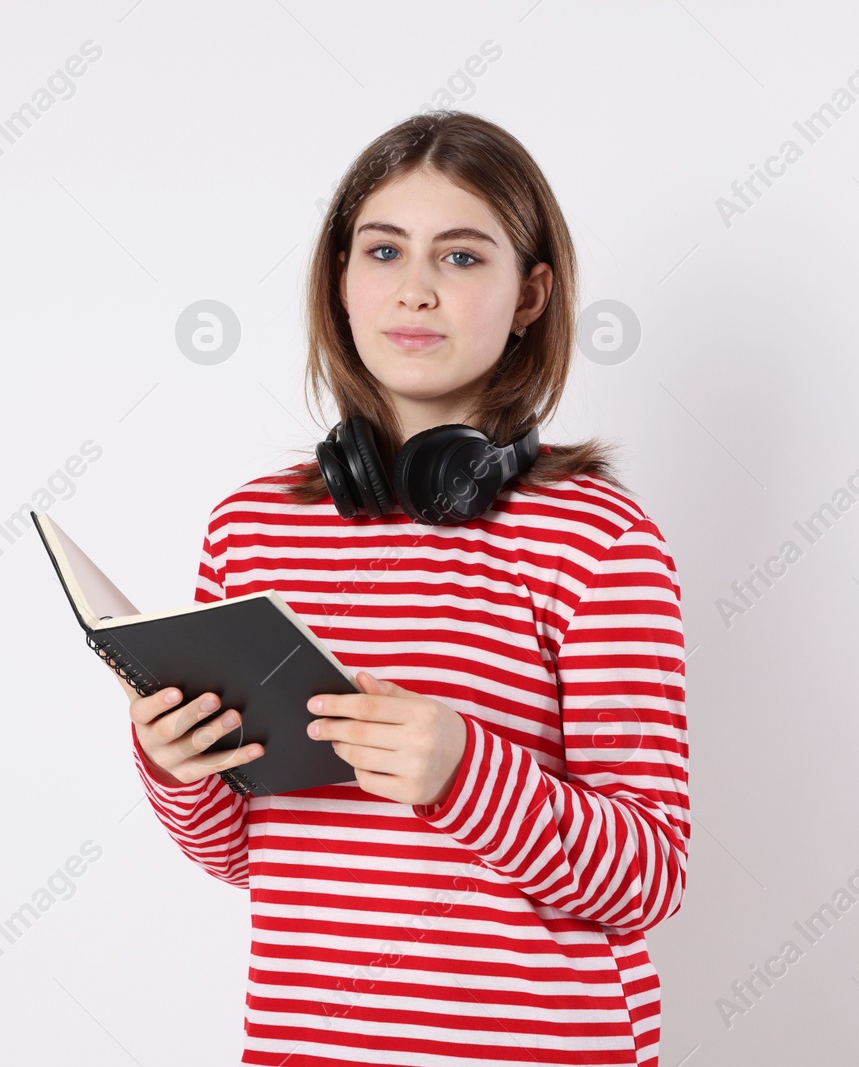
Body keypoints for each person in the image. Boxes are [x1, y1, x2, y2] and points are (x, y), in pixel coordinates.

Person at [123, 109, 689, 1067]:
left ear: (530, 294)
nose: (416, 290)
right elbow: (247, 853)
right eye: (384, 250)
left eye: (462, 258)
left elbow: (648, 876)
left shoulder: (599, 540)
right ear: (341, 280)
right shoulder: (251, 530)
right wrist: (175, 766)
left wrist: (468, 772)